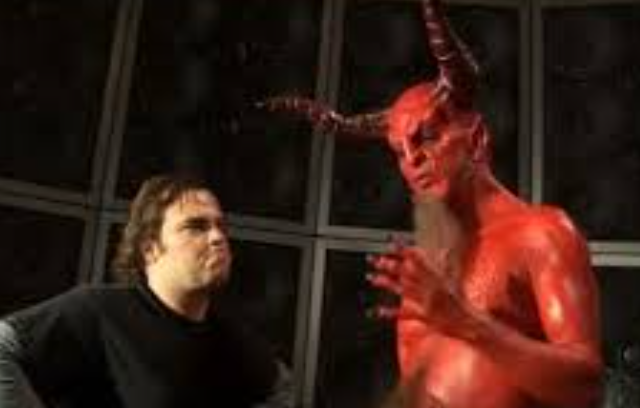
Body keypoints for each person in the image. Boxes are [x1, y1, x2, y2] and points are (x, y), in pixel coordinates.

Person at [259, 0, 603, 406]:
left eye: (425, 137)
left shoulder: (542, 234)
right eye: (399, 152)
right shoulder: (423, 268)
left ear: (476, 138)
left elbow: (585, 387)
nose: (412, 160)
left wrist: (464, 322)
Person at [0, 174, 293, 408]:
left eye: (220, 226)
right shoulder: (100, 310)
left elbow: (280, 387)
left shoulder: (234, 340)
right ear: (150, 248)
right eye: (196, 227)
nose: (218, 237)